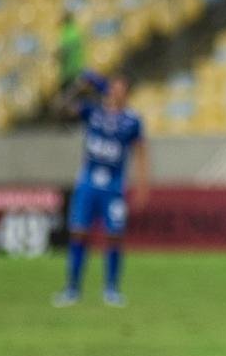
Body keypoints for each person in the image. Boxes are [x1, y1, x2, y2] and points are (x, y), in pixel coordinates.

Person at [52, 71, 151, 307]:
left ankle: (112, 289)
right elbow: (59, 108)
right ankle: (72, 289)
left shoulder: (132, 120)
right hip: (87, 182)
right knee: (78, 232)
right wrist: (78, 86)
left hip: (114, 185)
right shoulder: (93, 111)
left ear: (126, 93)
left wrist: (142, 185)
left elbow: (140, 152)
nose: (116, 92)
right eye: (113, 87)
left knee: (114, 236)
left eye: (121, 89)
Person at [57, 12, 85, 90]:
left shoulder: (68, 33)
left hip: (70, 69)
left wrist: (57, 55)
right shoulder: (75, 31)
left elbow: (64, 51)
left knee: (69, 92)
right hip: (77, 66)